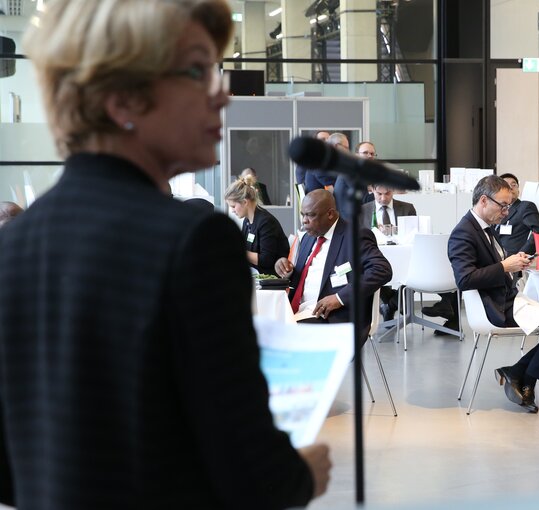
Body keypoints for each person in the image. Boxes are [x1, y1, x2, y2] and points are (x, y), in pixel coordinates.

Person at [0, 1, 331, 508]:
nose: (221, 95)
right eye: (197, 71)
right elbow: (251, 469)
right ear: (122, 100)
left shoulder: (14, 245)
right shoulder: (194, 242)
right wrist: (303, 474)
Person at [448, 175, 539, 413]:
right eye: (503, 205)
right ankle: (523, 375)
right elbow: (464, 280)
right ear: (484, 200)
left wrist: (513, 262)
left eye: (508, 206)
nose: (506, 212)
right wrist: (505, 266)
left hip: (510, 300)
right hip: (495, 307)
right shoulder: (463, 232)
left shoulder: (484, 228)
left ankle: (519, 373)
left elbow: (493, 264)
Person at [275, 190, 391, 342]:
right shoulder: (308, 237)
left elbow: (382, 270)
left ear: (330, 214)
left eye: (310, 215)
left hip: (332, 317)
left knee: (277, 339)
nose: (304, 221)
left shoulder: (356, 236)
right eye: (303, 214)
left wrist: (339, 298)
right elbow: (301, 277)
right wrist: (286, 270)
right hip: (297, 312)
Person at [360, 184, 416, 321]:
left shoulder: (407, 208)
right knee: (370, 272)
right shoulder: (362, 211)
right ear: (372, 190)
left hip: (404, 259)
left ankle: (390, 305)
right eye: (379, 194)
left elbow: (413, 237)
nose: (383, 198)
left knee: (416, 270)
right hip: (375, 260)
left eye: (388, 193)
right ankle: (395, 302)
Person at [225, 175, 289, 275]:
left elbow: (266, 260)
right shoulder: (247, 221)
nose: (232, 211)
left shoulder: (266, 222)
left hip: (269, 277)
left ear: (245, 202)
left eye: (233, 206)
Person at [493, 173, 539, 256]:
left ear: (518, 190)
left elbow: (538, 232)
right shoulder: (495, 208)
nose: (510, 187)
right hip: (494, 257)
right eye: (506, 185)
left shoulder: (525, 206)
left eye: (514, 185)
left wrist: (522, 254)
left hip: (512, 258)